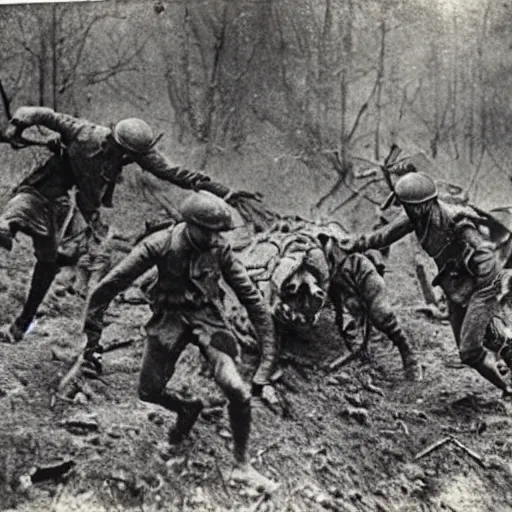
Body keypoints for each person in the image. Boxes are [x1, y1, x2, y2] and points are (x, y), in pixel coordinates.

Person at [0, 107, 255, 343]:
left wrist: (223, 191)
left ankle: (22, 323)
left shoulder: (136, 153)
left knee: (51, 262)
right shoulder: (82, 131)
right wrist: (16, 128)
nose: (122, 158)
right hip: (44, 186)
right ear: (112, 138)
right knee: (19, 210)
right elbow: (38, 112)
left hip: (73, 206)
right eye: (120, 151)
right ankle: (7, 227)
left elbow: (176, 173)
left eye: (129, 156)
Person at [82, 191, 279, 492]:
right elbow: (110, 285)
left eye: (219, 232)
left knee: (237, 390)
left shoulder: (220, 250)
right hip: (169, 318)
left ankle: (242, 466)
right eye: (210, 231)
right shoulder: (159, 245)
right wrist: (92, 337)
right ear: (191, 225)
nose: (216, 238)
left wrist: (265, 363)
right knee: (149, 391)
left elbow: (251, 299)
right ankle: (187, 409)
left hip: (209, 319)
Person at [336, 170, 512, 396]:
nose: (409, 211)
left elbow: (485, 253)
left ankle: (507, 387)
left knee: (470, 349)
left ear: (426, 204)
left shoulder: (454, 219)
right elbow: (383, 236)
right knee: (475, 344)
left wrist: (481, 281)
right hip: (454, 287)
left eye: (412, 206)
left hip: (483, 286)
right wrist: (356, 244)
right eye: (406, 206)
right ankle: (507, 386)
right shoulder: (415, 218)